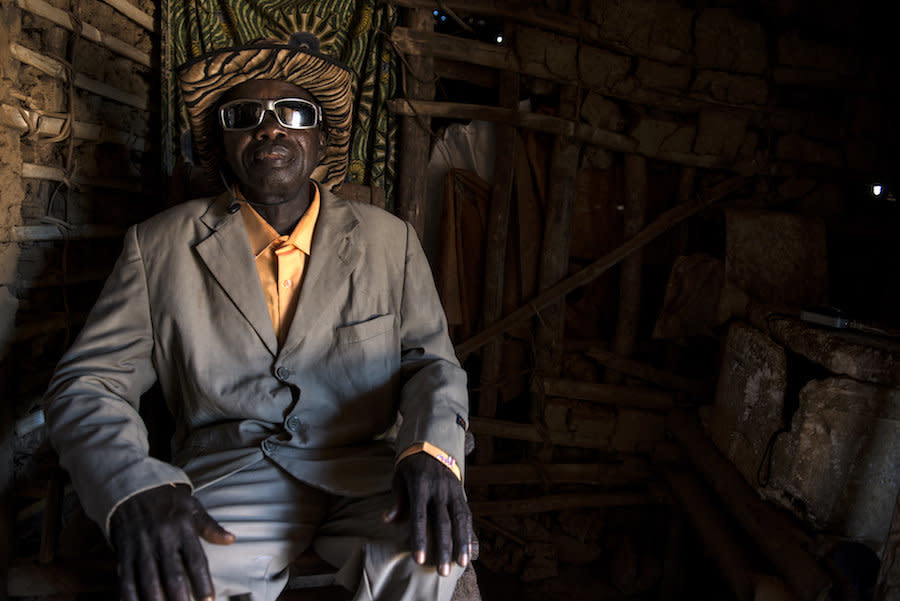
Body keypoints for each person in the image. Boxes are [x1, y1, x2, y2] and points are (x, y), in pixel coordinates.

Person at [43, 33, 472, 601]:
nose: (271, 129)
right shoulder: (159, 247)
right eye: (245, 116)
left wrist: (431, 450)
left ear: (321, 141)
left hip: (367, 475)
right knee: (179, 577)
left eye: (294, 113)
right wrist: (133, 484)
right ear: (223, 143)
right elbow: (87, 383)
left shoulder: (390, 242)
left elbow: (431, 365)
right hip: (230, 477)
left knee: (429, 563)